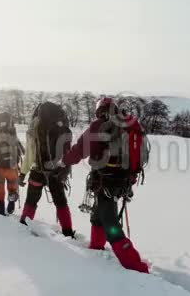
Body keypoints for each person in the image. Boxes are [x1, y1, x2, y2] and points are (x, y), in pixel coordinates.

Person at [61, 97, 150, 273]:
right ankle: (96, 248)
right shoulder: (129, 125)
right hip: (123, 180)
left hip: (105, 180)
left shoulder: (98, 126)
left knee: (111, 226)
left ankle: (136, 267)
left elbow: (80, 150)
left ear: (100, 109)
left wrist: (64, 161)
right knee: (98, 214)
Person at [18, 102, 75, 238]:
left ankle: (24, 225)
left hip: (38, 170)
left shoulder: (35, 126)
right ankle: (67, 231)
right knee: (61, 202)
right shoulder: (62, 124)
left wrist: (23, 173)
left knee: (31, 200)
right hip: (57, 172)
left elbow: (30, 154)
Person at [0, 112, 23, 215]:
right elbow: (22, 151)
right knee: (12, 187)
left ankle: (0, 213)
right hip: (12, 167)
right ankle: (11, 204)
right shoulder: (13, 135)